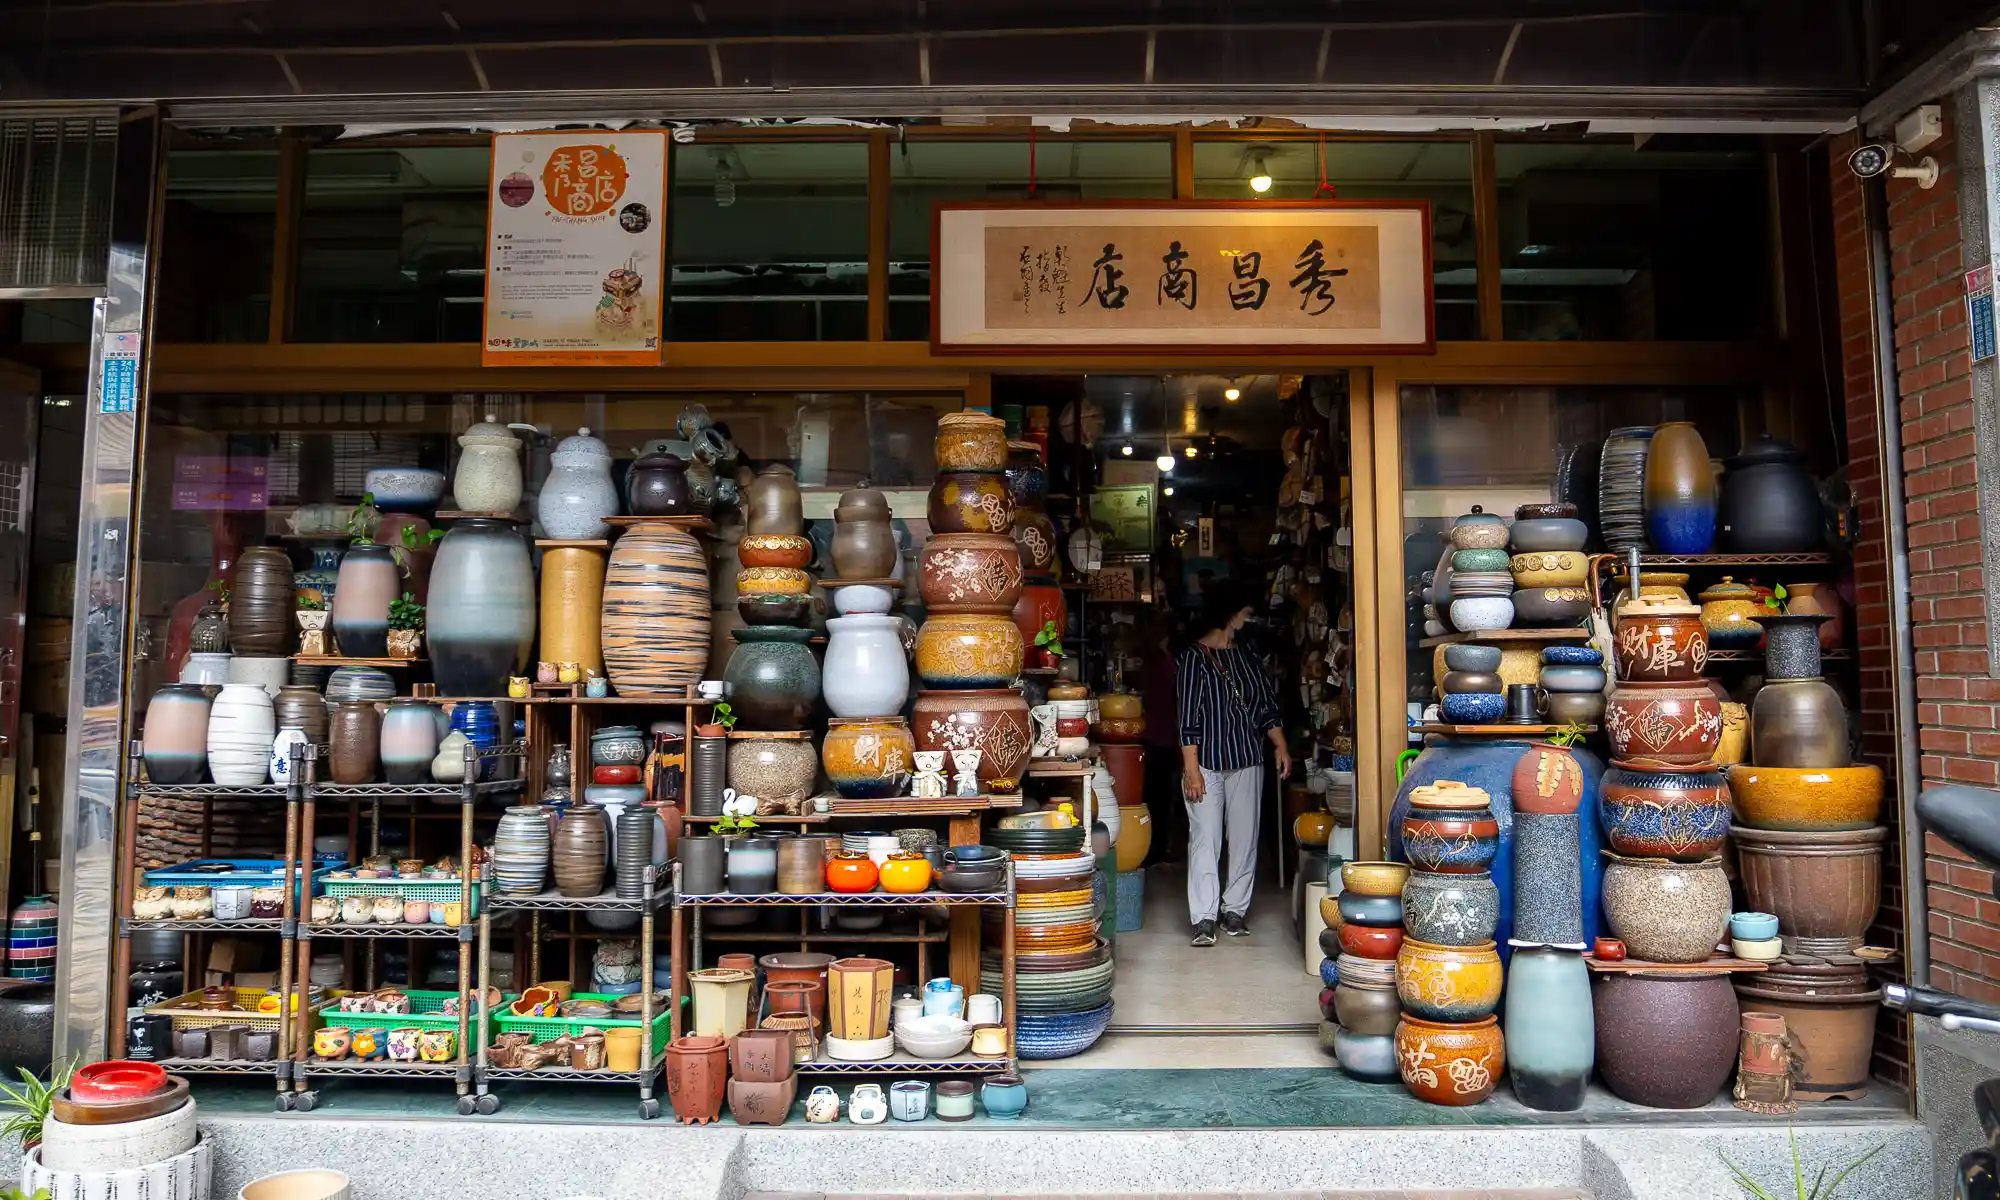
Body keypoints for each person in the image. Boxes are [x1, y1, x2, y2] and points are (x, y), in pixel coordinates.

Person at [1175, 585, 1291, 947]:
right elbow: (1187, 720)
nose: (1249, 619)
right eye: (1245, 612)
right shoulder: (1193, 659)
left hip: (1246, 759)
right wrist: (1191, 770)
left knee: (1244, 838)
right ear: (1229, 616)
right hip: (1205, 763)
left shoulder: (1247, 657)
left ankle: (1234, 910)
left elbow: (1266, 708)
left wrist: (1281, 746)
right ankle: (1204, 918)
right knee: (1204, 839)